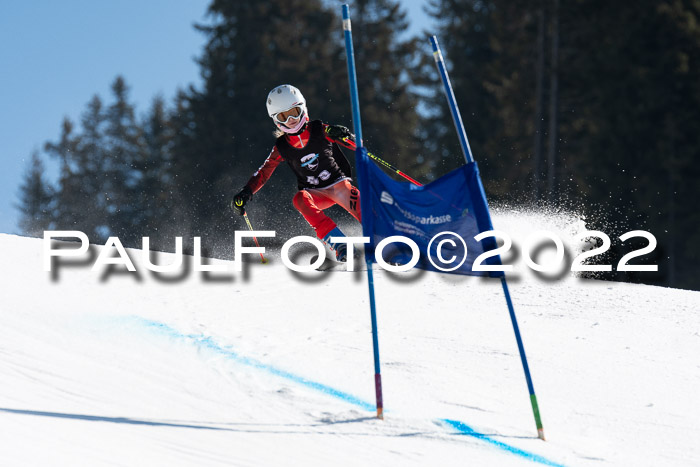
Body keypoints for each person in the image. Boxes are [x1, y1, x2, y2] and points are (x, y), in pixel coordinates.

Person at [231, 84, 360, 262]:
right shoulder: (282, 146)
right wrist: (247, 191)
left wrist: (346, 136)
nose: (291, 119)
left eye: (294, 111)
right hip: (316, 194)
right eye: (283, 116)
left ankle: (390, 243)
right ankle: (341, 245)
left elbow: (354, 142)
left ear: (303, 108)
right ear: (276, 120)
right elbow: (264, 171)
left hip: (339, 186)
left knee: (366, 211)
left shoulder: (320, 129)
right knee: (299, 199)